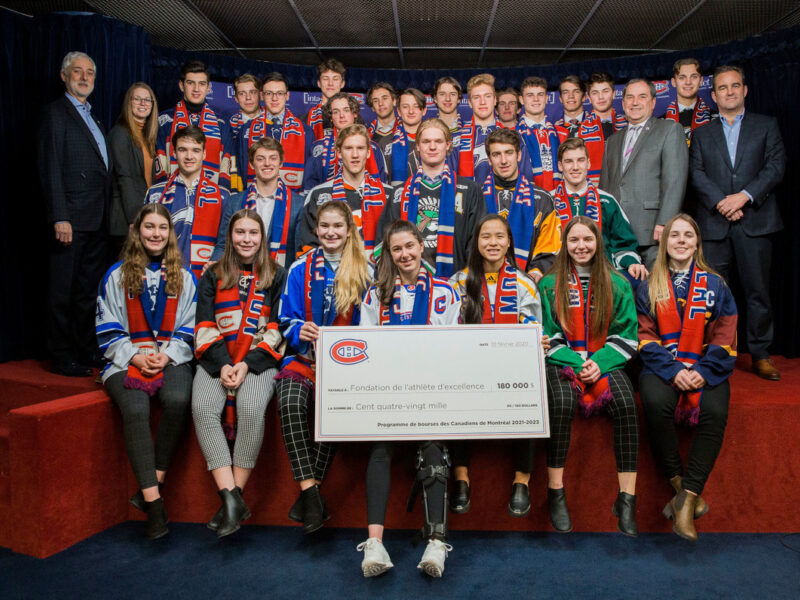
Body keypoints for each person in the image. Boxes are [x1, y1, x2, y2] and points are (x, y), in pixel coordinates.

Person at [357, 220, 461, 578]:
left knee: (434, 448)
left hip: (432, 388)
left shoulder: (446, 292)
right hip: (388, 389)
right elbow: (365, 347)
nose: (404, 254)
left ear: (421, 245)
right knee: (380, 448)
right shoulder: (375, 294)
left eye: (409, 246)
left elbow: (453, 346)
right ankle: (375, 545)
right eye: (396, 249)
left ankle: (436, 541)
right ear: (390, 253)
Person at [96, 204, 196, 539]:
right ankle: (154, 504)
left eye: (162, 228)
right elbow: (107, 325)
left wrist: (165, 356)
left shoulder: (185, 275)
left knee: (180, 398)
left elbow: (190, 326)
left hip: (170, 356)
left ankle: (154, 482)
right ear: (137, 231)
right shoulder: (116, 274)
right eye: (149, 227)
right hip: (125, 359)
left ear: (171, 234)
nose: (155, 234)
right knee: (136, 408)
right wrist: (135, 357)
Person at [635, 214, 737, 542]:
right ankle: (685, 493)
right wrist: (675, 370)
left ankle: (687, 496)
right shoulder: (650, 284)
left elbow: (725, 334)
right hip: (663, 367)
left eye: (688, 235)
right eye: (674, 235)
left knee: (716, 411)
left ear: (697, 243)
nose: (681, 240)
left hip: (706, 367)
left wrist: (702, 372)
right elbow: (644, 335)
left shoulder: (716, 285)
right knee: (653, 401)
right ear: (665, 244)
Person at [538, 216, 640, 537]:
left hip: (603, 362)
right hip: (563, 361)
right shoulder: (548, 284)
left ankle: (626, 499)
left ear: (598, 242)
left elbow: (627, 333)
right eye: (574, 240)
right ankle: (556, 491)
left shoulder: (618, 282)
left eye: (587, 240)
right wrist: (576, 360)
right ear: (564, 245)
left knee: (626, 404)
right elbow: (546, 333)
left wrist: (599, 362)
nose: (581, 246)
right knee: (564, 402)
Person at [276, 201, 372, 534]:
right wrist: (297, 328)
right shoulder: (299, 268)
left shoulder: (366, 271)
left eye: (337, 227)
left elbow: (372, 324)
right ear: (316, 230)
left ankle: (308, 498)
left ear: (349, 231)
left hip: (346, 366)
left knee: (335, 410)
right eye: (325, 226)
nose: (330, 232)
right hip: (302, 359)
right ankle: (311, 493)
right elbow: (284, 318)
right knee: (289, 402)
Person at [192, 209, 286, 538]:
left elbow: (278, 327)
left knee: (249, 408)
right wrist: (225, 365)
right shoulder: (212, 274)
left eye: (253, 233)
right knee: (203, 407)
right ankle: (230, 497)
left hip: (258, 361)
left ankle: (235, 497)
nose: (246, 239)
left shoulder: (277, 274)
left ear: (262, 238)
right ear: (230, 236)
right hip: (216, 357)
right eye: (240, 232)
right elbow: (203, 324)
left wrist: (247, 363)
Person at [689, 65, 786, 380]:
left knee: (758, 292)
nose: (729, 92)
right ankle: (719, 353)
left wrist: (742, 196)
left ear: (745, 90)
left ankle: (760, 354)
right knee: (713, 294)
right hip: (714, 224)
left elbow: (775, 167)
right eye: (722, 88)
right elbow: (697, 174)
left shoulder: (765, 125)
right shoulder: (702, 133)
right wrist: (722, 202)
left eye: (734, 86)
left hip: (755, 221)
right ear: (714, 95)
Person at [448, 215, 545, 517]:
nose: (492, 243)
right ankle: (461, 478)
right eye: (485, 236)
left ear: (509, 243)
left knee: (534, 392)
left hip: (511, 369)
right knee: (453, 392)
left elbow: (534, 328)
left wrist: (536, 342)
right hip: (470, 369)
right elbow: (449, 329)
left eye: (499, 236)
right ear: (476, 243)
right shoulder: (458, 282)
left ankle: (522, 480)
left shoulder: (524, 283)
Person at [38, 51, 112, 377]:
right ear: (64, 76)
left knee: (86, 292)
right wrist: (59, 216)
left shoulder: (93, 117)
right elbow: (49, 166)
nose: (84, 78)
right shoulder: (55, 114)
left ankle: (86, 349)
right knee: (62, 292)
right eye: (78, 72)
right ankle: (61, 355)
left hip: (96, 219)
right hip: (70, 220)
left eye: (90, 73)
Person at [600, 78, 688, 267]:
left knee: (654, 292)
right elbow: (605, 188)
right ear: (623, 104)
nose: (635, 102)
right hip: (617, 236)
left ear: (653, 102)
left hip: (652, 232)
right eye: (630, 97)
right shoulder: (613, 141)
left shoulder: (669, 130)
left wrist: (665, 222)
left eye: (642, 97)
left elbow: (674, 181)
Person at [383, 118, 485, 278]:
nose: (432, 147)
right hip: (407, 282)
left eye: (438, 141)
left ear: (448, 145)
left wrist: (466, 279)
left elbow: (476, 241)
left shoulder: (470, 190)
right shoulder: (399, 193)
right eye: (426, 141)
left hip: (456, 283)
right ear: (417, 146)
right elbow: (386, 243)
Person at [551, 137, 646, 283]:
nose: (575, 167)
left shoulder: (606, 201)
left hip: (601, 275)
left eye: (580, 160)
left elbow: (624, 243)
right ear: (560, 165)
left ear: (588, 163)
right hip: (559, 276)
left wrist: (632, 262)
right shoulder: (548, 201)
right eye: (568, 161)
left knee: (637, 279)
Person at [296, 124, 395, 256]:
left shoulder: (389, 194)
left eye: (360, 148)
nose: (355, 155)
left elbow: (398, 243)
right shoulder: (318, 194)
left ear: (368, 152)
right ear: (339, 153)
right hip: (334, 274)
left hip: (378, 274)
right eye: (348, 148)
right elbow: (307, 247)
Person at [145, 125, 230, 278]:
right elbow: (144, 239)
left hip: (206, 278)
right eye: (183, 150)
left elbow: (226, 242)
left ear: (204, 154)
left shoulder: (222, 196)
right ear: (174, 153)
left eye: (195, 150)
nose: (189, 156)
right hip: (163, 276)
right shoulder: (156, 194)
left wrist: (214, 264)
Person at [481, 128, 561, 281]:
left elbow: (550, 246)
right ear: (489, 160)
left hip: (528, 284)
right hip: (484, 281)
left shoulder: (542, 199)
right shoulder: (476, 196)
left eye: (509, 153)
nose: (503, 160)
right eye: (496, 154)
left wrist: (536, 272)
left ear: (519, 155)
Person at [215, 137, 303, 267]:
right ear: (251, 164)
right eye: (260, 159)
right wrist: (213, 265)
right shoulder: (235, 202)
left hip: (281, 278)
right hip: (241, 275)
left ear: (281, 162)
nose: (267, 164)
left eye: (273, 158)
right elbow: (223, 245)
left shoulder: (298, 204)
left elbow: (299, 251)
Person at [155, 60, 232, 190]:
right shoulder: (165, 120)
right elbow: (159, 162)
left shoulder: (222, 123)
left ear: (208, 88)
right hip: (172, 194)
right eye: (190, 83)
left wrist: (221, 196)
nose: (196, 89)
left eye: (201, 84)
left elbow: (227, 163)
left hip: (210, 196)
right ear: (181, 85)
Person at [108, 82, 158, 256]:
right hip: (126, 221)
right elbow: (125, 177)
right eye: (137, 99)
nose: (143, 103)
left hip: (144, 216)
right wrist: (134, 219)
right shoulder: (120, 133)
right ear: (128, 103)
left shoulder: (148, 137)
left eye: (147, 100)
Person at [239, 72, 312, 191]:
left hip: (293, 200)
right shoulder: (247, 129)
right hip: (254, 198)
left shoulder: (305, 131)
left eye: (279, 93)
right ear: (261, 95)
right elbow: (241, 167)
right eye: (269, 93)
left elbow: (309, 173)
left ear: (287, 96)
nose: (274, 98)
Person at [303, 92, 387, 192]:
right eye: (336, 112)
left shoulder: (373, 148)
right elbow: (310, 187)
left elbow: (383, 185)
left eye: (346, 110)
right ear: (330, 117)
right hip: (329, 204)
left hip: (366, 203)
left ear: (355, 113)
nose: (341, 115)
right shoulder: (318, 148)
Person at [581, 72, 628, 184]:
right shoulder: (578, 131)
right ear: (588, 97)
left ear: (613, 93)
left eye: (605, 91)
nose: (601, 97)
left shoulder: (628, 126)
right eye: (595, 92)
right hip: (593, 192)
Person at [516, 76, 561, 190]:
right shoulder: (513, 135)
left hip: (558, 196)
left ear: (546, 98)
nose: (536, 99)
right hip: (526, 196)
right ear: (521, 100)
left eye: (540, 94)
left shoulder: (561, 133)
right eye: (530, 95)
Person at [457, 73, 503, 185]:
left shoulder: (511, 136)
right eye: (476, 97)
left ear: (495, 100)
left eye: (487, 96)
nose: (482, 102)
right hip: (468, 199)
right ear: (469, 103)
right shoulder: (457, 138)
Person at [228, 73, 263, 191]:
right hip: (237, 186)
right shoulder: (228, 126)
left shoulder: (271, 124)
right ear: (236, 99)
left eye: (252, 92)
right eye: (242, 94)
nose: (248, 98)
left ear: (260, 95)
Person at [664, 58, 711, 142]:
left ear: (701, 81)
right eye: (682, 77)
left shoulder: (715, 118)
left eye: (694, 77)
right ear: (673, 82)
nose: (688, 82)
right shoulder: (661, 122)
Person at [390, 88, 428, 185]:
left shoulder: (435, 141)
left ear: (424, 110)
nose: (411, 111)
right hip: (397, 196)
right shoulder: (386, 143)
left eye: (416, 106)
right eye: (405, 107)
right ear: (398, 111)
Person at [304, 58, 346, 141]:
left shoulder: (354, 118)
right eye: (325, 78)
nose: (330, 83)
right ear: (319, 83)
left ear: (342, 84)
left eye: (335, 79)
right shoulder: (305, 119)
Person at [366, 81, 398, 178]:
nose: (380, 103)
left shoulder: (405, 131)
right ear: (372, 107)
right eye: (375, 100)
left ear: (394, 101)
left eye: (385, 98)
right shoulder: (366, 137)